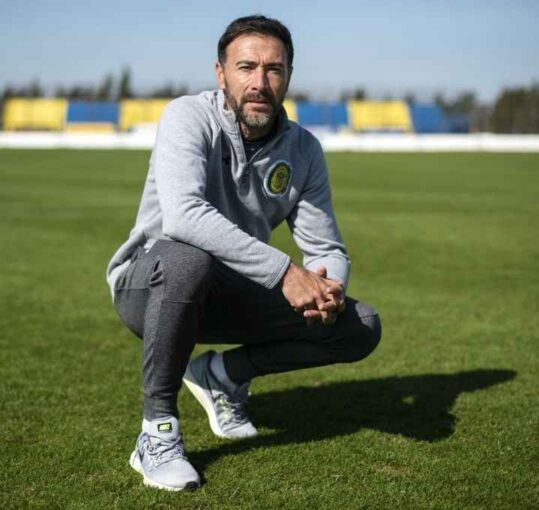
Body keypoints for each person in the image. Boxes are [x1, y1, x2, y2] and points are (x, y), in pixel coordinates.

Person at [106, 14, 382, 491]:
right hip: (150, 284)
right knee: (188, 257)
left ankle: (222, 375)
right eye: (246, 67)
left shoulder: (304, 150)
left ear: (288, 77)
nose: (260, 82)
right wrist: (284, 273)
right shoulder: (187, 116)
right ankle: (156, 434)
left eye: (274, 69)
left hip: (232, 289)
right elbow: (183, 218)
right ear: (221, 74)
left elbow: (325, 246)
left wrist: (329, 285)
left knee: (359, 327)